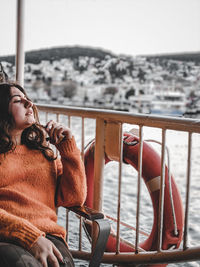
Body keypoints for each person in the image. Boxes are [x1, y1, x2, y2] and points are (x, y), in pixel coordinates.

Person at [0, 82, 87, 267]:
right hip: (6, 235)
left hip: (49, 236)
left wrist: (68, 148)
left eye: (28, 99)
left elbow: (74, 198)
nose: (28, 103)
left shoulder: (44, 153)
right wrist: (29, 236)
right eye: (18, 100)